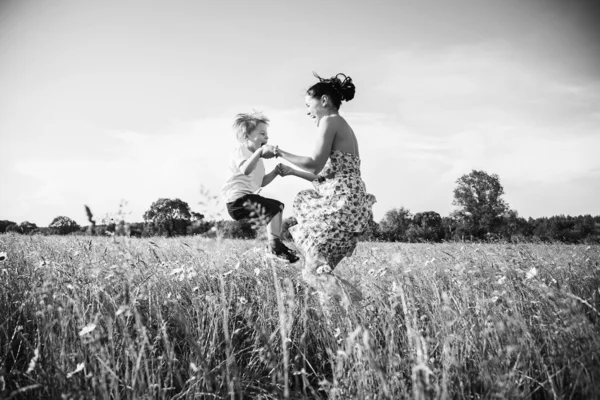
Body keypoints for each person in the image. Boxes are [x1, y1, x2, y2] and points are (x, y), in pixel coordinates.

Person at [274, 73, 376, 304]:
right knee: (322, 274)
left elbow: (314, 163)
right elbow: (323, 174)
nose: (308, 111)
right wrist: (293, 172)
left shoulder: (330, 121)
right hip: (348, 202)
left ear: (324, 100)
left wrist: (280, 152)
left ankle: (360, 305)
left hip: (340, 203)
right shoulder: (341, 125)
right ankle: (346, 325)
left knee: (313, 273)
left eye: (308, 104)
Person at [221, 112, 299, 263]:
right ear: (246, 137)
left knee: (278, 206)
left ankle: (276, 246)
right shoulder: (240, 151)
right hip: (237, 202)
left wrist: (275, 172)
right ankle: (274, 247)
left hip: (246, 200)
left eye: (267, 135)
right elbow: (245, 170)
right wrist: (259, 152)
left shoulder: (259, 161)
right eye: (262, 134)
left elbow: (261, 182)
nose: (266, 138)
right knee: (274, 209)